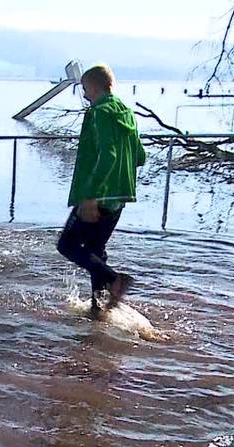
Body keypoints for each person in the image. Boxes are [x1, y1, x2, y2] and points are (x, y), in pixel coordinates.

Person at [57, 64, 145, 311]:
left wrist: (91, 196)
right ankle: (98, 308)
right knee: (95, 249)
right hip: (120, 196)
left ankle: (114, 279)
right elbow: (140, 157)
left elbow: (109, 155)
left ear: (94, 87)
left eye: (85, 89)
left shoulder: (98, 113)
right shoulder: (127, 113)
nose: (84, 95)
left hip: (97, 194)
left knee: (67, 245)